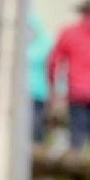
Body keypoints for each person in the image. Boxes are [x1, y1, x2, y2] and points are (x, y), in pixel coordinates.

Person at [50, 0, 90, 152]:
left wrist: (53, 88)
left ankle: (76, 159)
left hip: (77, 93)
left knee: (77, 138)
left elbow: (53, 62)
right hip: (78, 92)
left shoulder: (69, 33)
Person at [31, 10, 56, 146]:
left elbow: (53, 67)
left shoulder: (45, 43)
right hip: (21, 92)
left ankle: (37, 147)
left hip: (38, 91)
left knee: (36, 123)